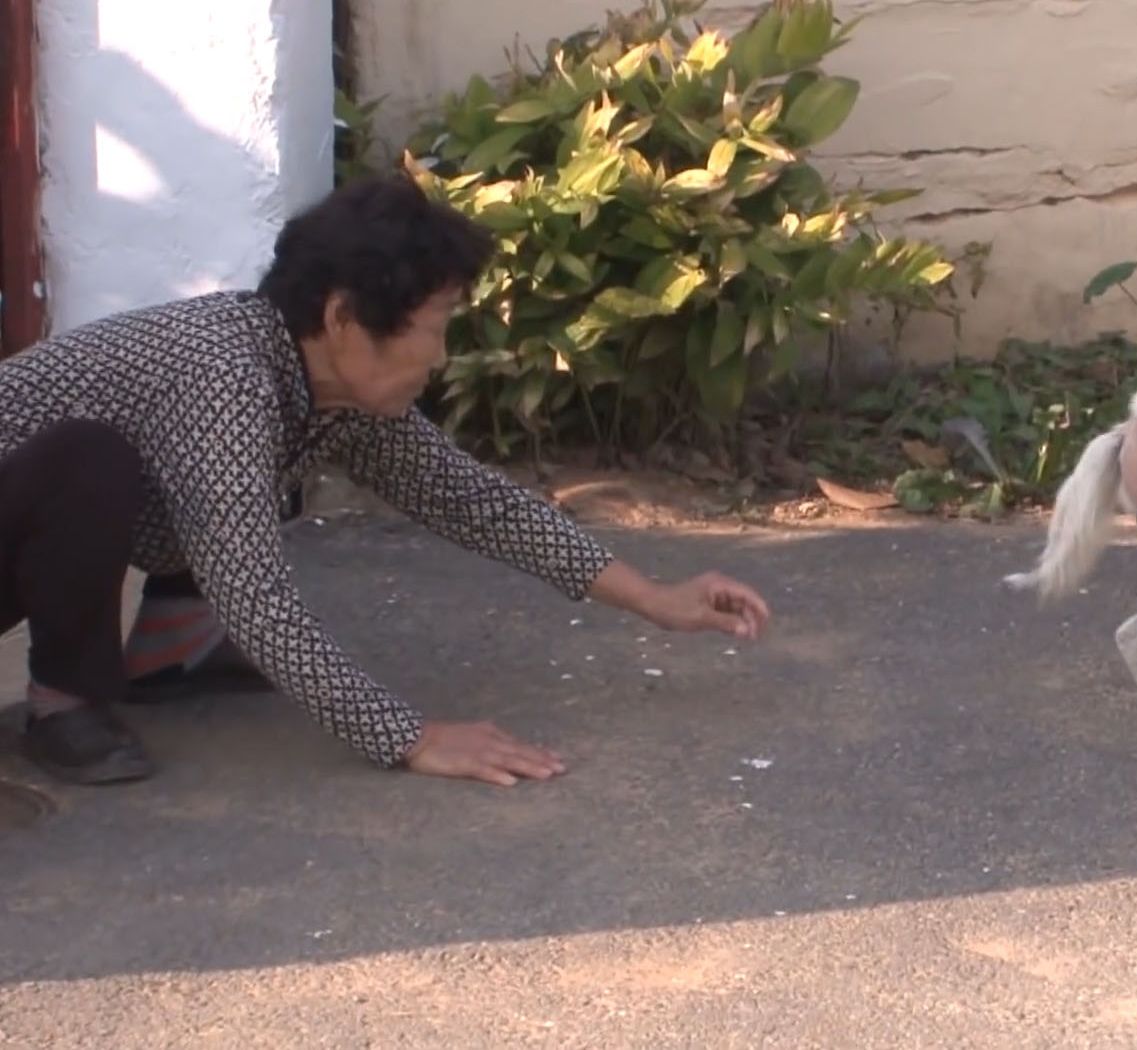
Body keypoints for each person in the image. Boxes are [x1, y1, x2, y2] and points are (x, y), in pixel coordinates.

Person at [0, 174, 770, 788]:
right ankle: (64, 700)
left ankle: (173, 648)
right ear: (342, 318)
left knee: (221, 477)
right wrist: (410, 737)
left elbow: (470, 499)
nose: (439, 356)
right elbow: (256, 597)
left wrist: (655, 597)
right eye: (433, 326)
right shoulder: (224, 374)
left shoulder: (318, 381)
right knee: (92, 459)